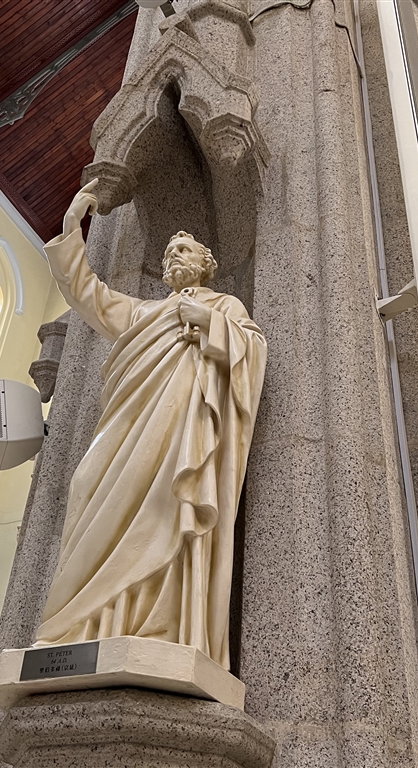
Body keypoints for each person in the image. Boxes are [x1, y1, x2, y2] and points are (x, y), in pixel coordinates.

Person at [35, 179, 267, 670]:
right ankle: (91, 625)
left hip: (183, 435)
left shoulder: (225, 307)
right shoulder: (143, 313)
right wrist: (72, 228)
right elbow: (88, 294)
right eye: (167, 253)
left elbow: (252, 352)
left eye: (183, 249)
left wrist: (208, 322)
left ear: (206, 262)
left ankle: (160, 625)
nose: (172, 256)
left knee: (168, 510)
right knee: (86, 484)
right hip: (127, 435)